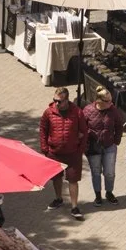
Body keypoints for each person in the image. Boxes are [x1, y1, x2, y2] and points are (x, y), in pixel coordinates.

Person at [39, 87, 88, 220]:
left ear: (67, 100)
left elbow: (84, 131)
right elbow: (43, 130)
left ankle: (74, 207)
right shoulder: (48, 113)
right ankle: (58, 198)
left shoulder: (77, 112)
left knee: (73, 180)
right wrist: (45, 149)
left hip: (73, 153)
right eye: (55, 100)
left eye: (59, 101)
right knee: (56, 178)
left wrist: (80, 150)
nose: (56, 103)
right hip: (54, 152)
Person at [83, 86, 124, 207]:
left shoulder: (113, 110)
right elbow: (82, 128)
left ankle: (109, 192)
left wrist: (116, 141)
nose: (111, 103)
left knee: (109, 172)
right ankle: (98, 195)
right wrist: (85, 145)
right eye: (108, 101)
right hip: (93, 147)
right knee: (96, 172)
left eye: (111, 100)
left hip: (109, 146)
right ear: (99, 100)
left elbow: (119, 125)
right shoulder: (87, 110)